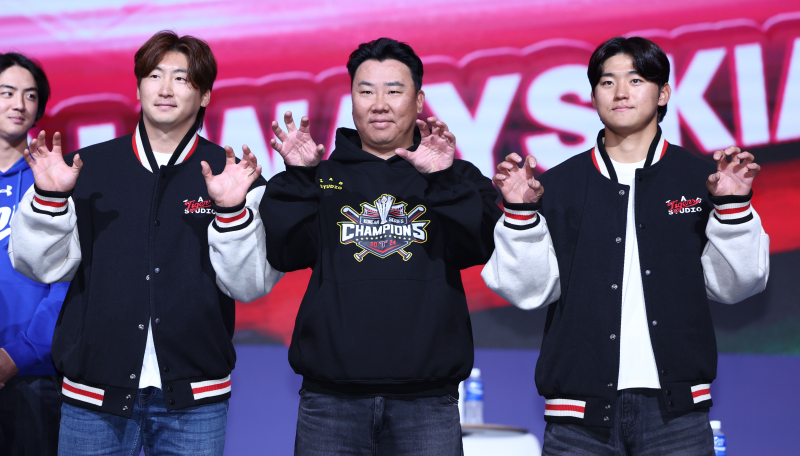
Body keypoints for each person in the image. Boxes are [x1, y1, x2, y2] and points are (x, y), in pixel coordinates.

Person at [212, 37, 501, 455]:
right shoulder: (318, 176)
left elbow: (479, 246)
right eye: (366, 91)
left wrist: (442, 180)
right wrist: (298, 178)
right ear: (351, 101)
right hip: (330, 405)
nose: (379, 104)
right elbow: (286, 253)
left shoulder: (453, 175)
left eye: (394, 91)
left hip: (427, 405)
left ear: (419, 101)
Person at [482, 36, 769, 455]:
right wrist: (521, 213)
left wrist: (732, 207)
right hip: (578, 420)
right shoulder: (556, 186)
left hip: (677, 416)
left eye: (635, 80)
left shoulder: (703, 180)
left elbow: (738, 285)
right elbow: (528, 291)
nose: (620, 92)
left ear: (663, 93)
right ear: (592, 96)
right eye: (607, 81)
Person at [8, 31, 281, 456]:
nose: (165, 88)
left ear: (205, 95)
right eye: (154, 75)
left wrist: (230, 211)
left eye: (181, 78)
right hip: (93, 400)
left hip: (195, 404)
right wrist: (50, 199)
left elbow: (249, 285)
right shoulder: (86, 167)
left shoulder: (235, 176)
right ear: (138, 88)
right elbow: (39, 266)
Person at [0, 52, 69, 456]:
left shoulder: (54, 182)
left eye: (29, 95)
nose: (18, 104)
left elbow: (66, 281)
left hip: (33, 374)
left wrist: (18, 355)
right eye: (6, 93)